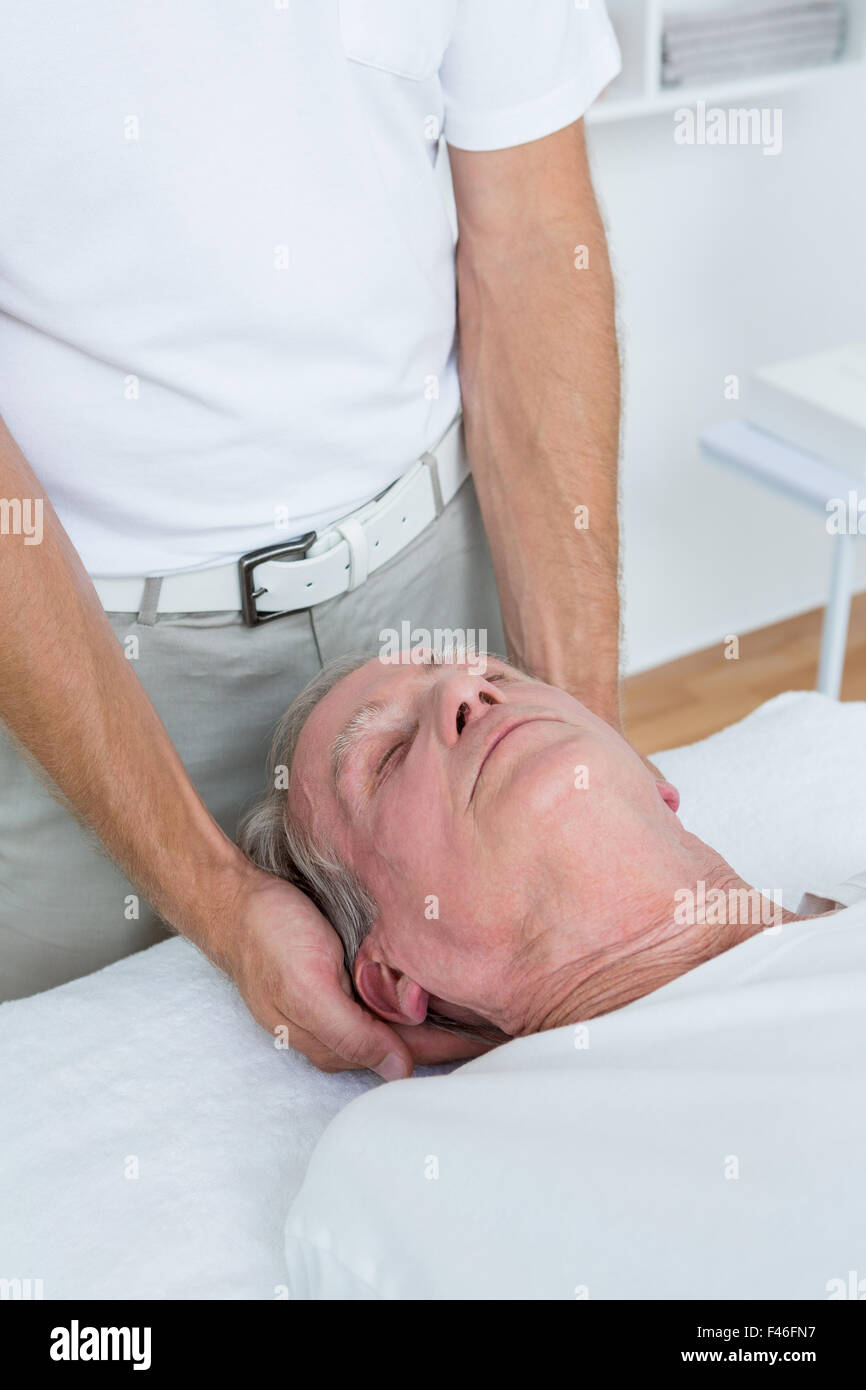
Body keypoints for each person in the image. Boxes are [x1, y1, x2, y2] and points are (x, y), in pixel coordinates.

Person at [0, 3, 624, 1081]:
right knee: (79, 1095)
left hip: (433, 565)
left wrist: (582, 755)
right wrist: (214, 900)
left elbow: (528, 236)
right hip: (77, 647)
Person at [240, 648, 839, 1040]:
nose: (465, 693)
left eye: (495, 676)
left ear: (657, 787)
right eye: (389, 757)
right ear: (397, 977)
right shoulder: (412, 1160)